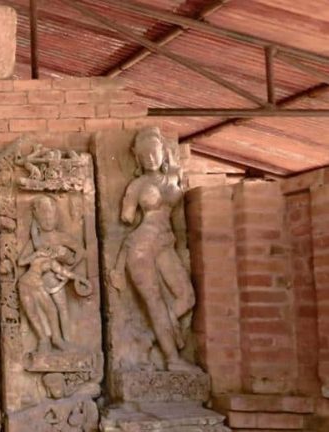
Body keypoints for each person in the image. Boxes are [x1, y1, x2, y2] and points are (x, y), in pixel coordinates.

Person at [110, 127, 198, 372]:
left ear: (164, 151)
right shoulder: (136, 185)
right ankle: (173, 360)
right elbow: (126, 217)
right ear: (137, 157)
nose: (150, 158)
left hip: (165, 242)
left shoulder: (175, 176)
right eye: (144, 154)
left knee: (187, 297)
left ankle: (150, 336)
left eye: (154, 152)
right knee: (155, 303)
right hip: (139, 248)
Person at [16, 195, 89, 352]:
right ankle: (47, 340)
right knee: (44, 311)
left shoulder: (61, 237)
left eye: (51, 216)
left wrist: (68, 261)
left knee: (62, 308)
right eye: (44, 217)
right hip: (37, 283)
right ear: (37, 218)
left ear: (56, 217)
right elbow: (21, 261)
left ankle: (66, 340)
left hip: (56, 280)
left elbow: (81, 253)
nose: (48, 220)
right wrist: (36, 254)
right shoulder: (35, 241)